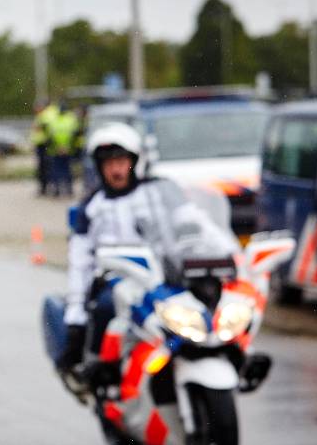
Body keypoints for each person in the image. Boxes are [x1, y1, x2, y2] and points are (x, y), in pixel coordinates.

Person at [59, 122, 236, 382]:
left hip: (164, 275)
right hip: (117, 282)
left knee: (209, 298)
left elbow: (194, 220)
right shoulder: (92, 208)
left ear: (134, 162)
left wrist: (229, 251)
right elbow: (80, 261)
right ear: (99, 167)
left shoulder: (159, 191)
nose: (115, 169)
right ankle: (104, 377)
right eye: (108, 163)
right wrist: (75, 312)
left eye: (121, 161)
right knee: (105, 309)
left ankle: (228, 352)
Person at [45, 104, 78, 197]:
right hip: (68, 150)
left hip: (56, 150)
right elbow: (74, 136)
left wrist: (58, 147)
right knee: (67, 169)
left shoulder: (54, 121)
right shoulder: (71, 120)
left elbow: (50, 136)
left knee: (56, 170)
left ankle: (57, 190)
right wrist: (67, 147)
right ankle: (69, 189)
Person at [30, 101, 57, 196]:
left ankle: (45, 188)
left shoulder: (45, 115)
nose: (35, 109)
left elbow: (45, 128)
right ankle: (47, 187)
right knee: (45, 167)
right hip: (43, 144)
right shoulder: (44, 115)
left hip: (44, 145)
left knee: (45, 168)